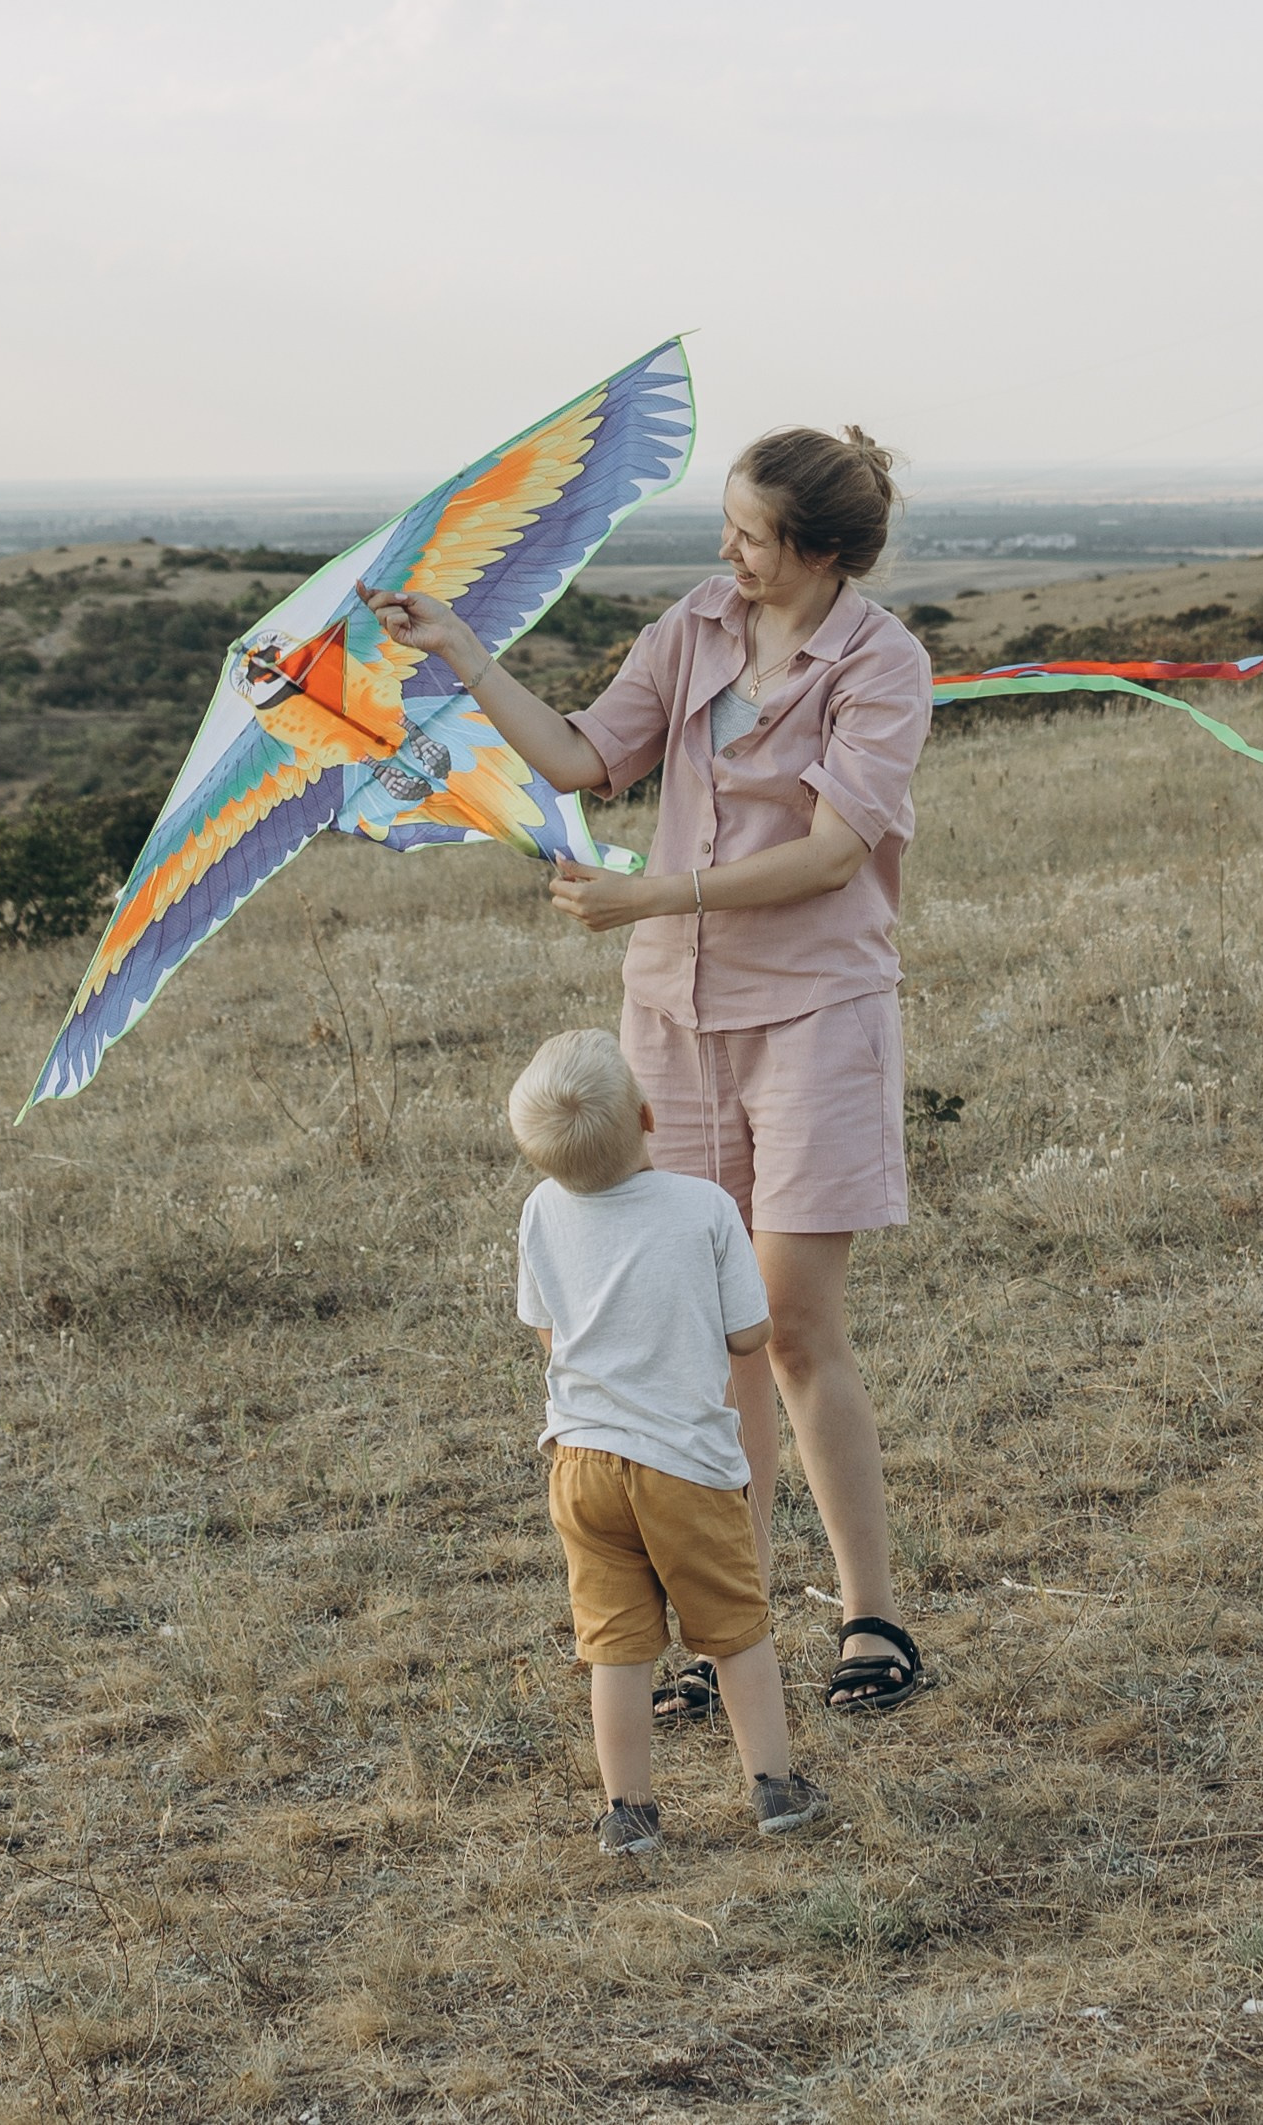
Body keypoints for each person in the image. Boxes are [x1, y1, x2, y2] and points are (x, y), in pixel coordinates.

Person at [367, 420, 933, 1719]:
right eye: (727, 527)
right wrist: (461, 650)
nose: (728, 554)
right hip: (671, 1016)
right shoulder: (696, 625)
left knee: (794, 1329)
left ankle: (873, 1618)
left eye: (751, 536)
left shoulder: (881, 661)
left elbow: (833, 853)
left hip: (816, 1012)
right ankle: (733, 1632)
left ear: (822, 552)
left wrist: (653, 894)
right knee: (713, 1334)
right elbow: (584, 756)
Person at [508, 1028, 829, 1858]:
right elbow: (751, 1334)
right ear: (650, 1116)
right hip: (685, 1466)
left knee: (615, 1645)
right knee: (736, 1628)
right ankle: (775, 1786)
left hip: (580, 1464)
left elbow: (548, 1332)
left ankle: (629, 1812)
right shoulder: (704, 1207)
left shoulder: (540, 1210)